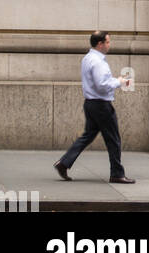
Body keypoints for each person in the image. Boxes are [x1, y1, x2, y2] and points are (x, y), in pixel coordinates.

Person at [54, 31, 134, 184]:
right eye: (108, 42)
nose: (110, 45)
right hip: (101, 105)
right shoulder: (98, 62)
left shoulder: (87, 58)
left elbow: (99, 81)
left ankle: (64, 163)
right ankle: (117, 173)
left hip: (91, 103)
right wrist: (120, 82)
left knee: (88, 136)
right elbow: (102, 85)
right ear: (100, 44)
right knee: (113, 139)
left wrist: (116, 79)